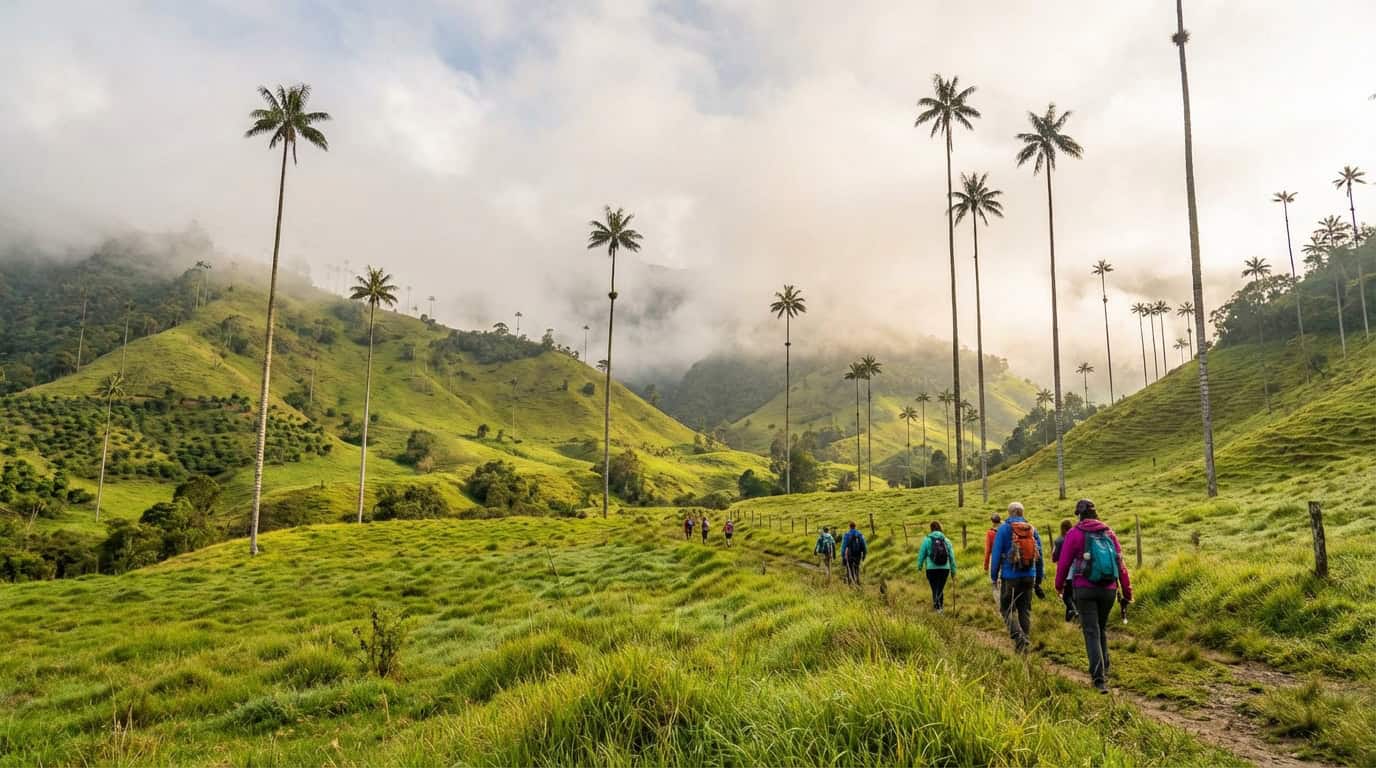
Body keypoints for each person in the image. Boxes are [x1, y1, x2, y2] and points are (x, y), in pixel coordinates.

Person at [1055, 499, 1133, 694]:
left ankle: (1098, 679)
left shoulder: (1074, 533)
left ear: (1079, 514)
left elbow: (1063, 563)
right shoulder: (1109, 533)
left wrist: (1060, 586)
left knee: (1091, 631)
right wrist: (1127, 591)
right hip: (1109, 589)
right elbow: (1120, 564)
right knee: (1101, 627)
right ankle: (1105, 667)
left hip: (1085, 588)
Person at [988, 501, 1044, 654]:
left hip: (1010, 575)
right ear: (1022, 512)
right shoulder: (1032, 529)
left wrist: (994, 576)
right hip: (1029, 576)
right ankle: (1024, 644)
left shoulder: (1004, 529)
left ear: (1010, 513)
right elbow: (1040, 556)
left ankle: (1019, 637)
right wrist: (1038, 578)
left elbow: (997, 553)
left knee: (1006, 608)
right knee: (1024, 610)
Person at [917, 521, 957, 612]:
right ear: (940, 528)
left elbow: (921, 554)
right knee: (940, 588)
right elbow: (951, 556)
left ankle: (938, 608)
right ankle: (939, 607)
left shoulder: (927, 540)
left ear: (931, 529)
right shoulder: (946, 540)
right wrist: (953, 570)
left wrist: (919, 566)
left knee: (935, 588)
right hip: (944, 569)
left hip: (931, 569)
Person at [1052, 519, 1078, 622]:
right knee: (1072, 594)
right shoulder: (1076, 538)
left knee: (1066, 595)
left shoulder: (1059, 540)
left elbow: (1055, 557)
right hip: (1078, 570)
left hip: (1066, 571)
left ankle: (1074, 611)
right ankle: (1069, 618)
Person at [983, 513, 1002, 610]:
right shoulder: (1006, 529)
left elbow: (987, 550)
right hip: (1006, 559)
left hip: (994, 559)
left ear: (992, 521)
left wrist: (986, 565)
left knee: (995, 583)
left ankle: (1001, 607)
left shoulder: (990, 533)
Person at [840, 521, 867, 586]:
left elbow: (843, 546)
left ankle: (851, 583)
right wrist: (864, 555)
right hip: (858, 554)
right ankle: (858, 580)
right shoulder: (860, 534)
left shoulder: (846, 534)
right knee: (857, 567)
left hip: (849, 555)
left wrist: (843, 556)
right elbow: (864, 546)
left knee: (849, 569)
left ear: (849, 527)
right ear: (855, 526)